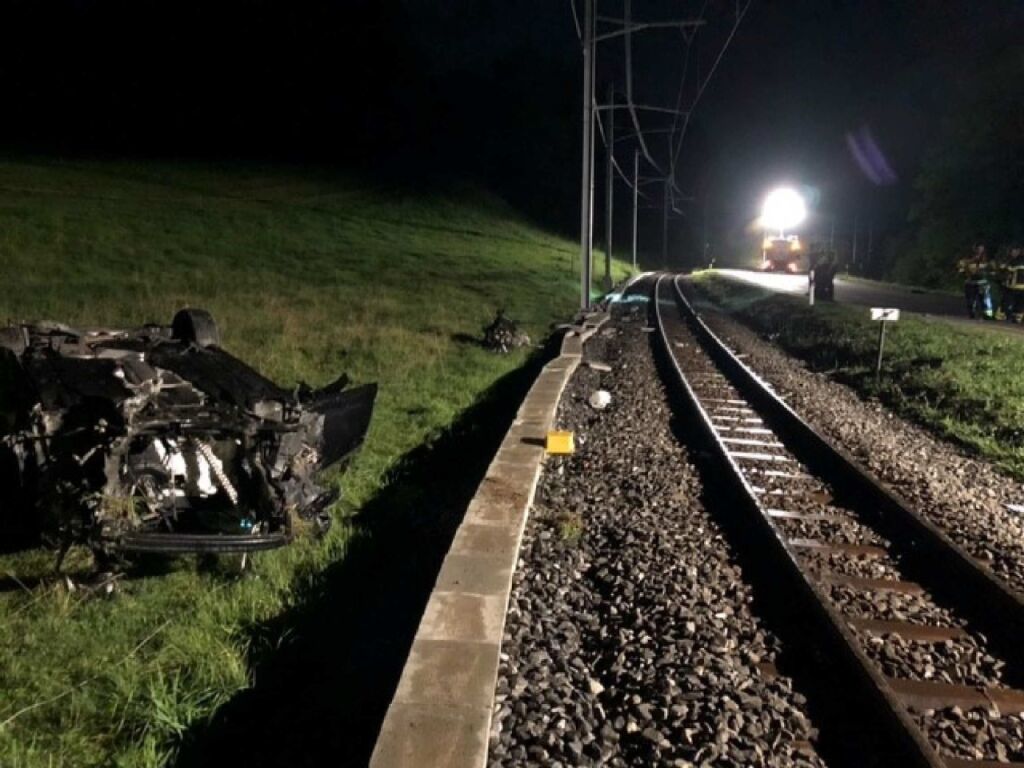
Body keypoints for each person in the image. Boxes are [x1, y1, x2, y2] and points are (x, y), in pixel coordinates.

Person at [957, 244, 995, 319]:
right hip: (970, 283)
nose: (980, 251)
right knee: (971, 300)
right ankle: (972, 314)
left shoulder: (987, 259)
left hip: (983, 283)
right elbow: (960, 269)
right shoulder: (967, 259)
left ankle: (988, 315)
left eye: (982, 249)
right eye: (979, 249)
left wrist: (989, 274)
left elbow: (993, 271)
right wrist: (965, 273)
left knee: (985, 300)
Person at [1001, 246, 1024, 322]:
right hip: (1014, 286)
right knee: (1018, 304)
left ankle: (1012, 318)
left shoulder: (1013, 261)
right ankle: (1015, 318)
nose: (1014, 253)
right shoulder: (1011, 260)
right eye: (1013, 251)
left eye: (1016, 251)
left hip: (1013, 286)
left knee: (1012, 303)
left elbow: (1007, 272)